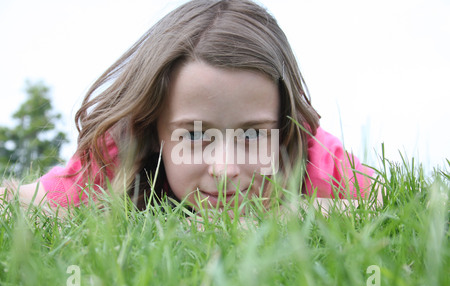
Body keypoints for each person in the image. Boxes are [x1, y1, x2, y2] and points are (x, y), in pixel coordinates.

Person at [0, 0, 374, 213]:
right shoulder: (120, 158)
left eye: (252, 134)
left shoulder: (315, 158)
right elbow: (20, 204)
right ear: (153, 129)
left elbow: (395, 207)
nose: (225, 168)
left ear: (285, 126)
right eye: (195, 135)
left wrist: (286, 216)